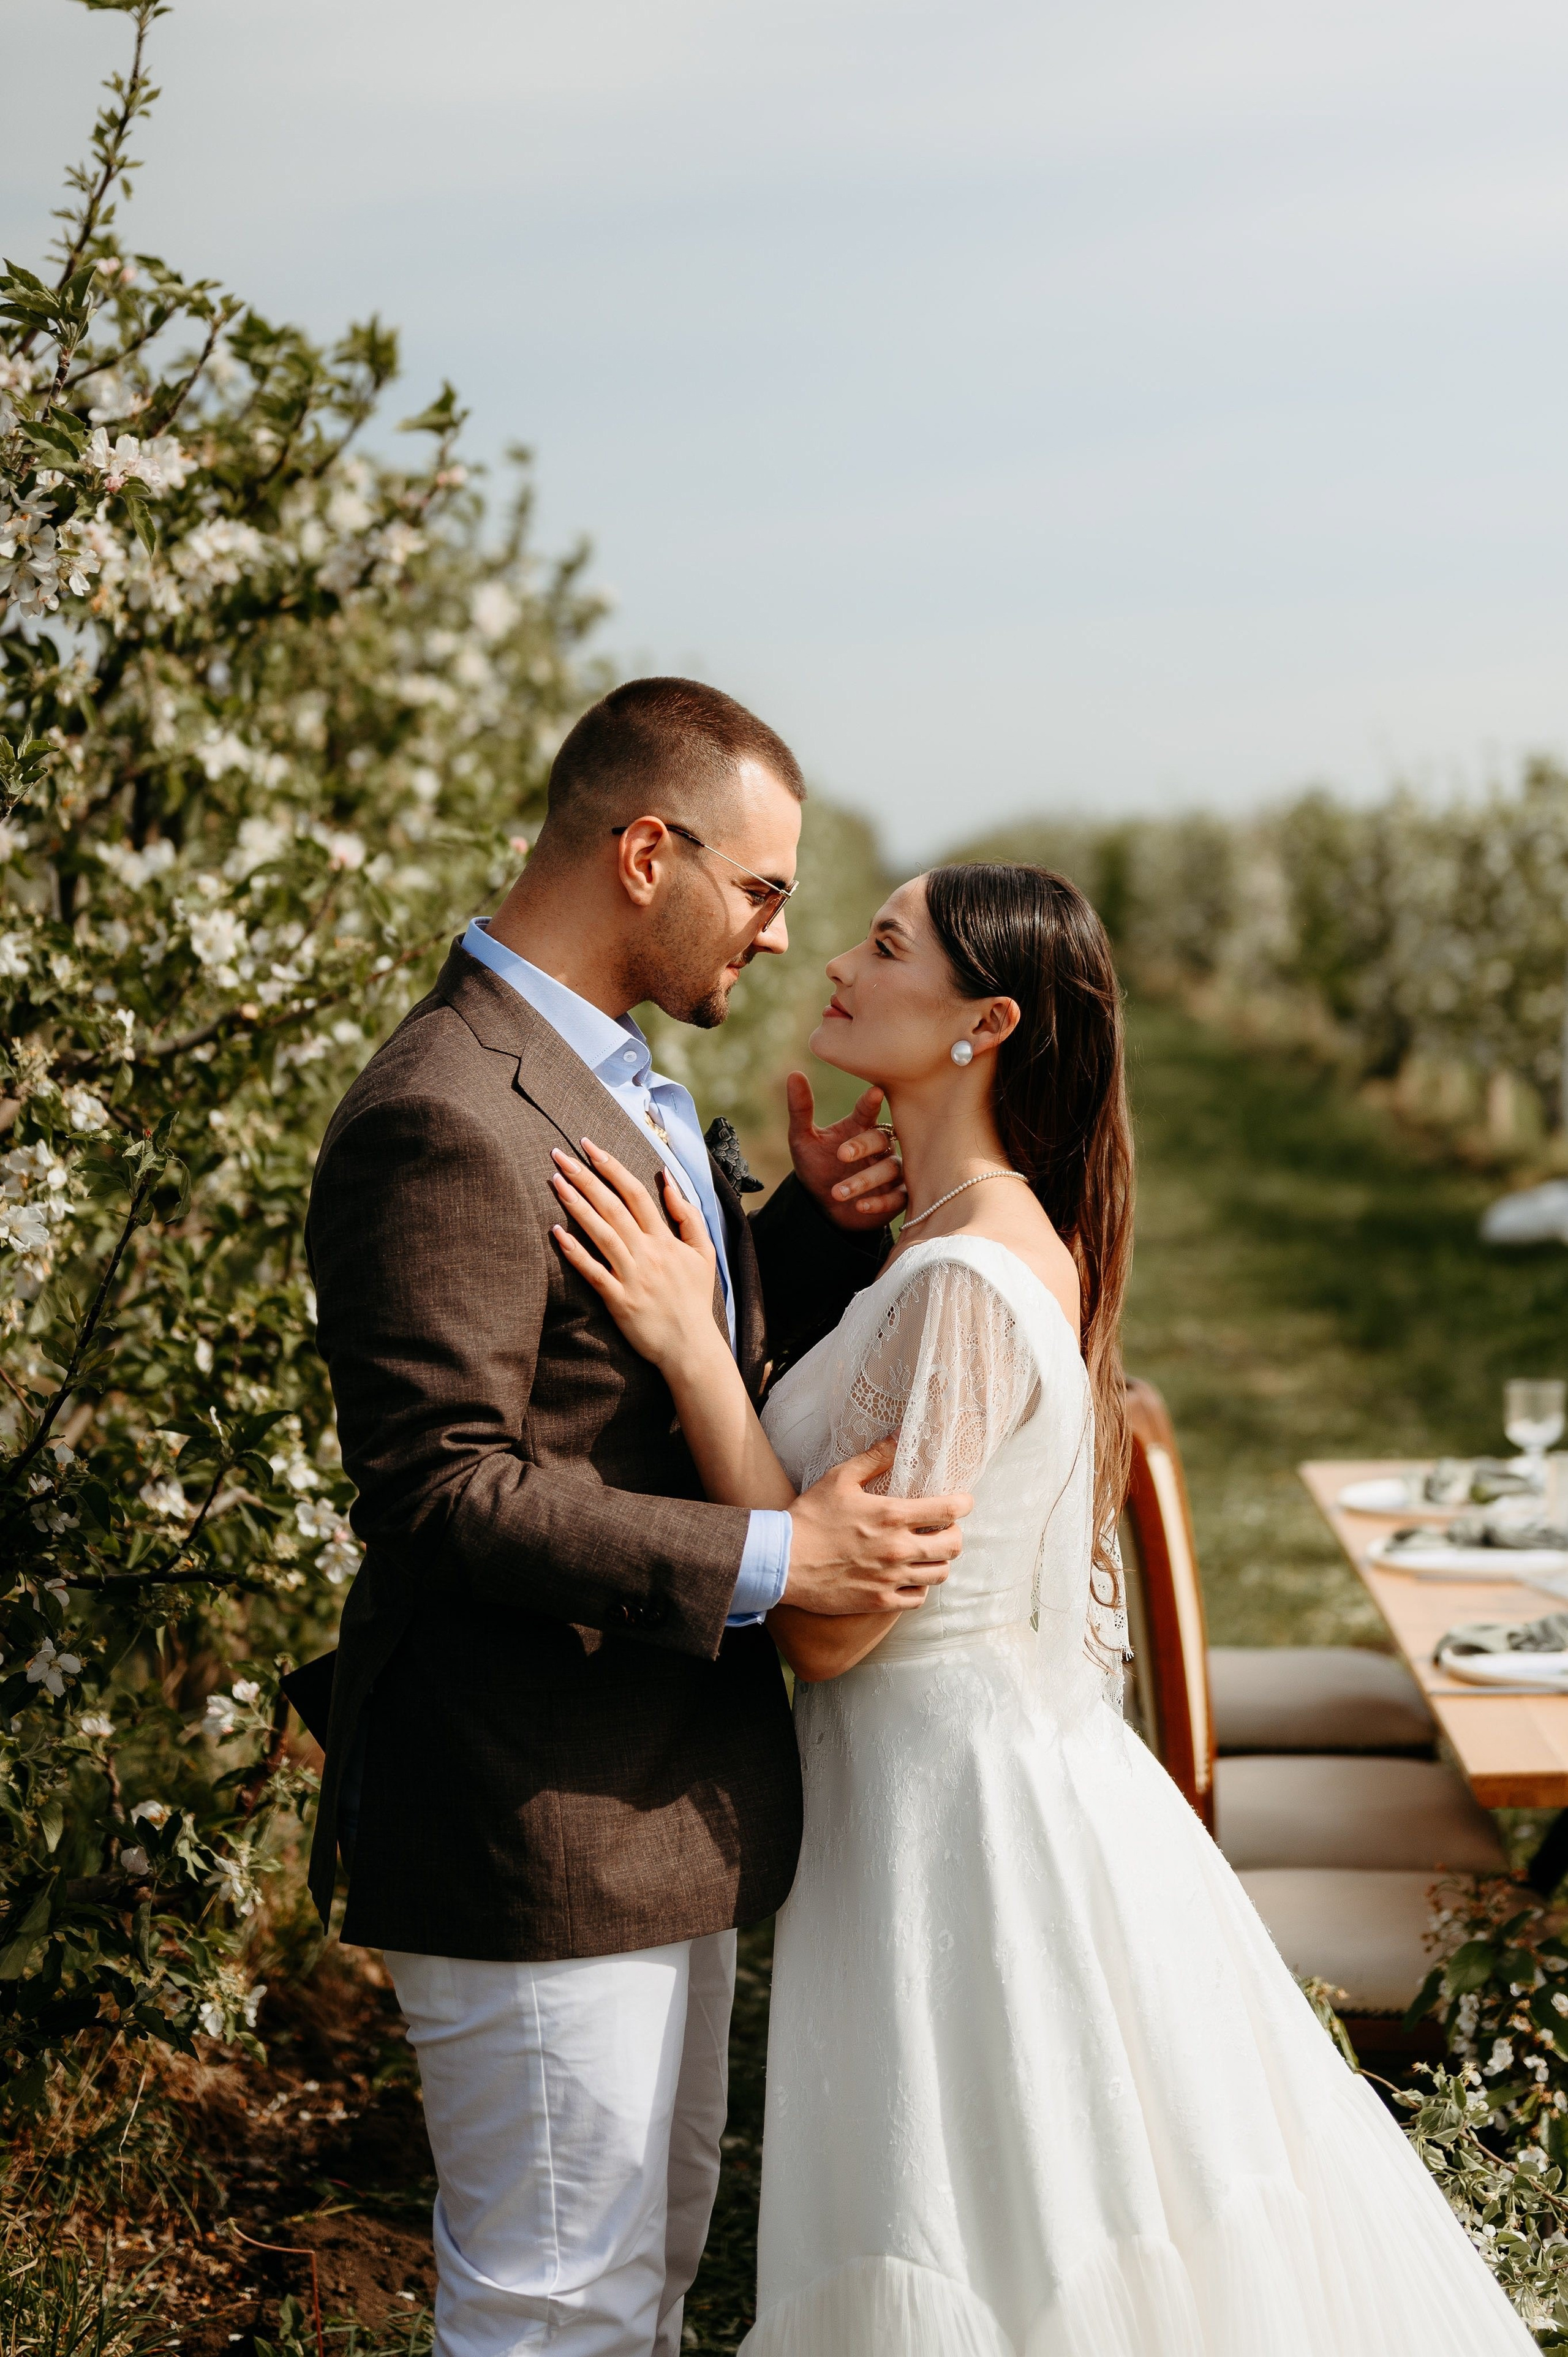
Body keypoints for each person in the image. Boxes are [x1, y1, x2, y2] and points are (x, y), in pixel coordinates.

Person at [550, 858, 1536, 2357]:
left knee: (986, 2239)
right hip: (945, 1793)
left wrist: (693, 1348)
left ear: (984, 1022)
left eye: (885, 946)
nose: (837, 963)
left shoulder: (964, 1275)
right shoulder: (959, 1242)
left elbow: (828, 1625)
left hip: (957, 1834)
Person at [303, 677, 976, 2357]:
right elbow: (445, 1488)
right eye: (761, 889)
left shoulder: (597, 1071)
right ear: (645, 852)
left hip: (657, 1791)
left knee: (644, 2287)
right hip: (531, 1806)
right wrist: (782, 1557)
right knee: (552, 2308)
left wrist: (801, 1239)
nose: (778, 935)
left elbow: (615, 1374)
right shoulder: (442, 1111)